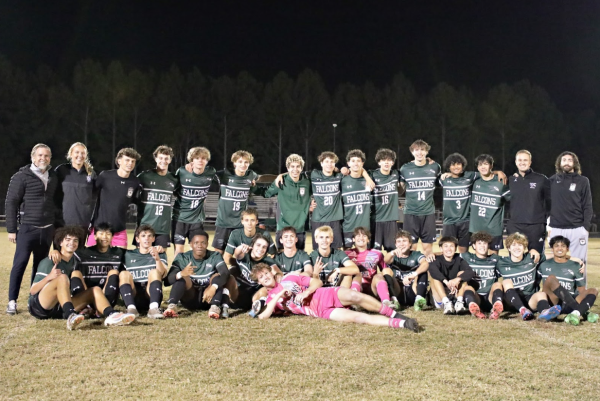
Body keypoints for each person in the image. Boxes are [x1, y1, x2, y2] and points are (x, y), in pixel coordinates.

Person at [253, 264, 419, 332]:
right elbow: (262, 317)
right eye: (261, 277)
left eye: (266, 273)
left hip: (324, 294)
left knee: (355, 296)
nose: (265, 277)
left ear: (272, 272)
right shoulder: (269, 299)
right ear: (259, 281)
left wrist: (306, 292)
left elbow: (316, 281)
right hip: (319, 311)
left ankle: (392, 313)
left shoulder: (290, 278)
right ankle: (403, 323)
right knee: (358, 318)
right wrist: (278, 297)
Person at [28, 226, 135, 329]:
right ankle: (70, 314)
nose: (72, 243)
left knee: (94, 290)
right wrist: (49, 277)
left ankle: (111, 315)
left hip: (61, 307)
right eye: (68, 240)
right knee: (62, 277)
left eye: (75, 240)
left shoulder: (76, 260)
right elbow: (33, 291)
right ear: (60, 242)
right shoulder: (51, 261)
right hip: (40, 306)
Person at [6, 143, 59, 315]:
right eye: (40, 155)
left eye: (46, 156)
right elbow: (11, 203)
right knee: (19, 264)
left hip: (47, 229)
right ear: (33, 157)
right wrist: (12, 229)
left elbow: (55, 202)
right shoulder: (21, 176)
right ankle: (12, 301)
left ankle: (33, 299)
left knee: (40, 266)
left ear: (50, 158)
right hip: (28, 228)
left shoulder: (53, 176)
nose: (43, 158)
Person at [163, 232, 230, 319]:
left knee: (218, 276)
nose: (200, 245)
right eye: (196, 243)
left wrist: (213, 287)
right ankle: (172, 306)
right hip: (190, 298)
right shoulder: (182, 258)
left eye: (203, 243)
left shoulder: (214, 255)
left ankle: (215, 308)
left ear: (207, 244)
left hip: (208, 299)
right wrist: (181, 273)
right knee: (181, 278)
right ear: (191, 244)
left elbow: (225, 273)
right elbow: (167, 281)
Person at [537, 236, 598, 325]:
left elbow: (581, 290)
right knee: (551, 279)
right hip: (553, 303)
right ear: (552, 249)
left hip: (571, 300)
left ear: (567, 249)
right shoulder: (543, 265)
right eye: (556, 246)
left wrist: (584, 300)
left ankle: (575, 313)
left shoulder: (575, 265)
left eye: (563, 246)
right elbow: (536, 285)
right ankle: (583, 312)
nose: (560, 248)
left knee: (593, 290)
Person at [88, 147, 142, 248]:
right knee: (92, 262)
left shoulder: (135, 182)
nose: (130, 163)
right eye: (127, 160)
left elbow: (137, 202)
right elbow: (90, 194)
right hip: (100, 229)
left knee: (120, 262)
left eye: (133, 161)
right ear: (119, 161)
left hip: (119, 230)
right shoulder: (105, 176)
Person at [212, 150, 262, 253]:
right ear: (234, 163)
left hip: (240, 224)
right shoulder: (224, 175)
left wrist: (254, 182)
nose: (243, 165)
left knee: (242, 253)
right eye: (240, 161)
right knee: (218, 252)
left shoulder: (251, 175)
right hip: (224, 222)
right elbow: (208, 176)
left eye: (246, 162)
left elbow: (258, 177)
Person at [548, 151, 593, 265]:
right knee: (558, 264)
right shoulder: (551, 181)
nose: (566, 163)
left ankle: (580, 284)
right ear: (559, 163)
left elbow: (587, 205)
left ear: (575, 163)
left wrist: (586, 227)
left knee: (579, 264)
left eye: (570, 160)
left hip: (577, 228)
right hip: (557, 228)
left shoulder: (583, 181)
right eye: (564, 160)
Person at [172, 146, 218, 256]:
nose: (200, 161)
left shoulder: (210, 172)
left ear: (207, 161)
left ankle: (197, 272)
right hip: (180, 218)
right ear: (192, 160)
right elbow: (175, 190)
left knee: (198, 250)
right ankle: (177, 272)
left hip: (197, 220)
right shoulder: (182, 172)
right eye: (197, 158)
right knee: (179, 251)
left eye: (203, 158)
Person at [399, 139, 441, 259]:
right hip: (411, 213)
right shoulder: (405, 168)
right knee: (411, 248)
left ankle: (425, 276)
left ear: (427, 152)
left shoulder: (435, 167)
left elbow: (441, 182)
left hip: (428, 213)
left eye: (422, 150)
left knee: (428, 249)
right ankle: (411, 274)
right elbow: (400, 190)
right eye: (416, 150)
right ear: (412, 152)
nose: (419, 153)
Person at [118, 224, 168, 319]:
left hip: (151, 294)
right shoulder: (128, 254)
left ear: (153, 239)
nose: (147, 239)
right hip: (134, 293)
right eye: (143, 236)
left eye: (149, 236)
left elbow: (163, 274)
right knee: (124, 273)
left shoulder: (159, 253)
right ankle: (131, 309)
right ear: (137, 239)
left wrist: (157, 259)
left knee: (154, 272)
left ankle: (153, 309)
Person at [506, 150, 550, 253]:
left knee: (536, 258)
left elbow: (550, 202)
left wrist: (547, 221)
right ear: (516, 162)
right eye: (520, 160)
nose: (522, 162)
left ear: (530, 162)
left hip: (536, 226)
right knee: (515, 258)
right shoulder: (510, 180)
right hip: (515, 225)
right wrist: (497, 172)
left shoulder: (541, 179)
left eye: (525, 160)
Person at [69, 223, 123, 308]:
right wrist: (56, 251)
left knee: (114, 272)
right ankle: (86, 307)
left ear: (112, 237)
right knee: (75, 273)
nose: (105, 237)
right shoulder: (83, 252)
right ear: (94, 236)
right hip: (86, 296)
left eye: (108, 234)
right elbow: (66, 252)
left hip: (107, 297)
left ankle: (104, 305)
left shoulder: (119, 252)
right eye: (101, 233)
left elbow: (137, 253)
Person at [264, 154, 312, 250]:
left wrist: (312, 204)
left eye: (298, 166)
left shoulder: (307, 182)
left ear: (302, 168)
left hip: (300, 228)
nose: (295, 169)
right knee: (282, 259)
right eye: (292, 167)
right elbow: (267, 194)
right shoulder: (281, 181)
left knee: (299, 259)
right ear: (288, 168)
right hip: (283, 227)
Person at [224, 233, 279, 312]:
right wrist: (241, 247)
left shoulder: (268, 261)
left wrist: (278, 275)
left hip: (255, 295)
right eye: (258, 245)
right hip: (237, 293)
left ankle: (257, 308)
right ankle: (224, 306)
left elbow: (276, 270)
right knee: (230, 275)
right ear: (252, 246)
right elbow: (237, 254)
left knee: (265, 288)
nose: (261, 249)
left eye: (264, 247)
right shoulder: (245, 255)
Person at [495, 233, 544, 321]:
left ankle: (546, 311)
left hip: (529, 299)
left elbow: (554, 258)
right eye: (513, 245)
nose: (517, 248)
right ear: (508, 248)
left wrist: (576, 260)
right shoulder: (501, 262)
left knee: (541, 294)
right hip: (511, 301)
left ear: (524, 247)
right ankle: (522, 310)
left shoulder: (531, 258)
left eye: (520, 245)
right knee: (506, 282)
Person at [345, 227, 396, 309]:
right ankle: (353, 302)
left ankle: (386, 302)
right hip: (355, 286)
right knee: (354, 275)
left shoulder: (377, 253)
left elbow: (385, 271)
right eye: (358, 236)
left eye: (364, 236)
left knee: (379, 276)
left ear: (368, 240)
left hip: (372, 288)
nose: (361, 238)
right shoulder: (347, 254)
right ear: (353, 239)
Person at [469, 154, 510, 254]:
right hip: (476, 228)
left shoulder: (501, 182)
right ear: (477, 167)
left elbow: (513, 200)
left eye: (486, 164)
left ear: (491, 166)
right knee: (479, 258)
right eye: (480, 165)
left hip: (493, 229)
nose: (483, 167)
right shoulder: (474, 182)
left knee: (493, 259)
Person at [459, 232, 504, 320]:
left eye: (485, 243)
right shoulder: (467, 257)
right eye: (479, 243)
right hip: (475, 297)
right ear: (474, 246)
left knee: (498, 284)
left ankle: (496, 308)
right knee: (467, 287)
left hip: (490, 297)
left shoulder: (495, 259)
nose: (482, 246)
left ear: (488, 246)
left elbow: (512, 260)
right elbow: (450, 255)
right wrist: (432, 255)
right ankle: (475, 309)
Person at [54, 142, 96, 233]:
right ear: (71, 154)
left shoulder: (91, 174)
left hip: (83, 224)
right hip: (61, 223)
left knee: (80, 247)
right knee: (60, 248)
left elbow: (94, 198)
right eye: (77, 152)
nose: (80, 155)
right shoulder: (61, 170)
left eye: (83, 153)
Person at [382, 230, 429, 311]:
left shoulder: (416, 254)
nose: (401, 244)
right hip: (398, 291)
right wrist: (392, 252)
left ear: (410, 243)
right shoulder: (393, 256)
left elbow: (426, 264)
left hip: (413, 290)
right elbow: (385, 260)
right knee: (386, 270)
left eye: (404, 241)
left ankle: (419, 300)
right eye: (399, 241)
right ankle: (393, 300)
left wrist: (413, 274)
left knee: (423, 270)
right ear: (395, 244)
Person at [428, 236, 476, 315]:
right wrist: (446, 282)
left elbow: (470, 272)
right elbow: (433, 272)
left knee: (462, 275)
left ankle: (459, 303)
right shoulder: (435, 260)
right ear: (441, 249)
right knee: (435, 278)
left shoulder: (459, 260)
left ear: (456, 248)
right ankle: (446, 303)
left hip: (455, 293)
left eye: (452, 246)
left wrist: (457, 279)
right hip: (440, 297)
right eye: (446, 246)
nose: (449, 249)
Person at [369, 148, 401, 251]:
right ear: (379, 162)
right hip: (376, 219)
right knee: (374, 252)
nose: (386, 162)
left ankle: (392, 268)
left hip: (391, 220)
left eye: (389, 160)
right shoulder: (372, 174)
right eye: (383, 160)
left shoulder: (396, 174)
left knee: (393, 251)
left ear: (393, 162)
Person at [341, 150, 372, 249]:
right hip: (348, 226)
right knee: (348, 257)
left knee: (366, 260)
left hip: (365, 227)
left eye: (358, 161)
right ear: (348, 163)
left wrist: (365, 174)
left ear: (362, 163)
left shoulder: (368, 179)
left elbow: (372, 185)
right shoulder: (342, 180)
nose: (356, 163)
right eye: (353, 161)